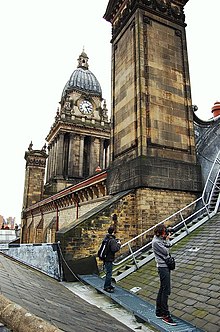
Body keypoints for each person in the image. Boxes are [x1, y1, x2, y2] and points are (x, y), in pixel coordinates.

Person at [152, 224, 177, 326]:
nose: (165, 233)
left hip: (164, 267)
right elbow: (166, 251)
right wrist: (166, 239)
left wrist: (166, 239)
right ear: (159, 232)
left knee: (162, 289)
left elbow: (169, 244)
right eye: (164, 232)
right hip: (163, 268)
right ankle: (165, 315)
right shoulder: (156, 242)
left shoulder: (159, 240)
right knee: (166, 290)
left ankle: (159, 311)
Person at [102, 226, 121, 293]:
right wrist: (118, 244)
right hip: (109, 258)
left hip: (105, 257)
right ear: (113, 232)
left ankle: (108, 285)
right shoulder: (112, 240)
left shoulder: (106, 238)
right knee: (109, 273)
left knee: (108, 272)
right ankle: (106, 286)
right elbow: (114, 249)